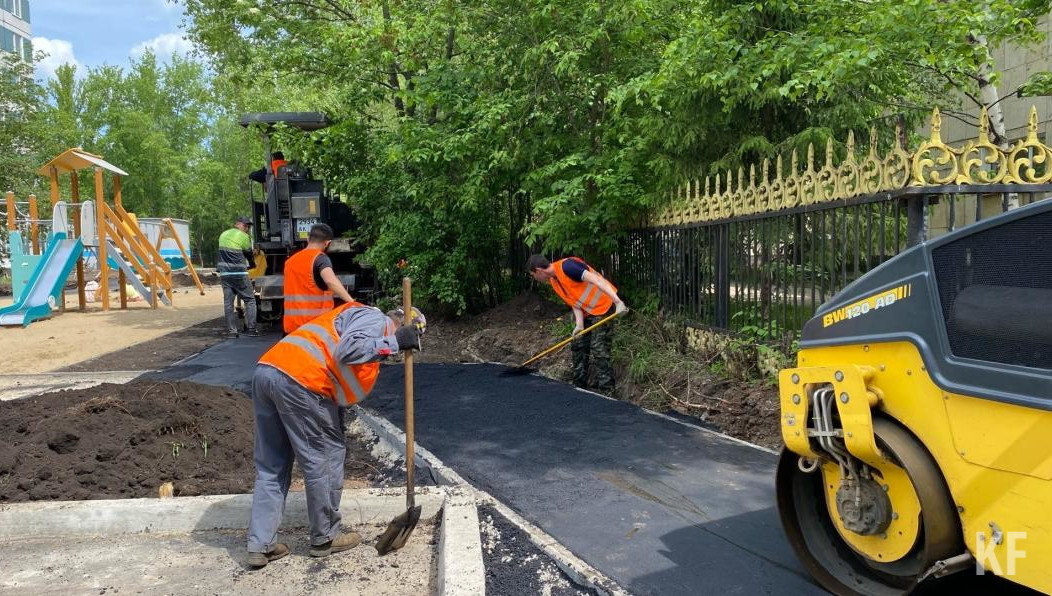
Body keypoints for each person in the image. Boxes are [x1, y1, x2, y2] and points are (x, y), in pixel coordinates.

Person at [245, 301, 426, 568]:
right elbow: (348, 351)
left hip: (268, 372)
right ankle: (325, 537)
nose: (400, 353)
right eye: (413, 340)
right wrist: (396, 341)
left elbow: (340, 376)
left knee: (272, 465)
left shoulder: (352, 321)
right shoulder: (377, 321)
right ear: (403, 324)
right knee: (325, 459)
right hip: (302, 381)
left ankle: (260, 545)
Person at [527, 254, 628, 393]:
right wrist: (579, 325)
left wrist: (618, 302)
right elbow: (574, 301)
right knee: (578, 344)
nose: (535, 279)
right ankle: (579, 389)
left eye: (533, 275)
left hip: (603, 306)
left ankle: (608, 392)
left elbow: (598, 280)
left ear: (539, 270)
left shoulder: (568, 267)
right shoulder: (555, 281)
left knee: (599, 348)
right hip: (587, 311)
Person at [282, 223, 354, 334]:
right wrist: (351, 302)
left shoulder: (290, 262)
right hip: (314, 328)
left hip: (292, 329)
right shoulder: (320, 259)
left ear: (307, 239)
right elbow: (330, 280)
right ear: (327, 243)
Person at [218, 216, 259, 337]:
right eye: (246, 226)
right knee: (250, 300)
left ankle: (232, 331)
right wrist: (252, 265)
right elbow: (248, 253)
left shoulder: (223, 234)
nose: (247, 228)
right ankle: (251, 329)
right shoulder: (244, 237)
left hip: (225, 273)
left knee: (228, 303)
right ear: (239, 224)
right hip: (239, 274)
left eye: (248, 226)